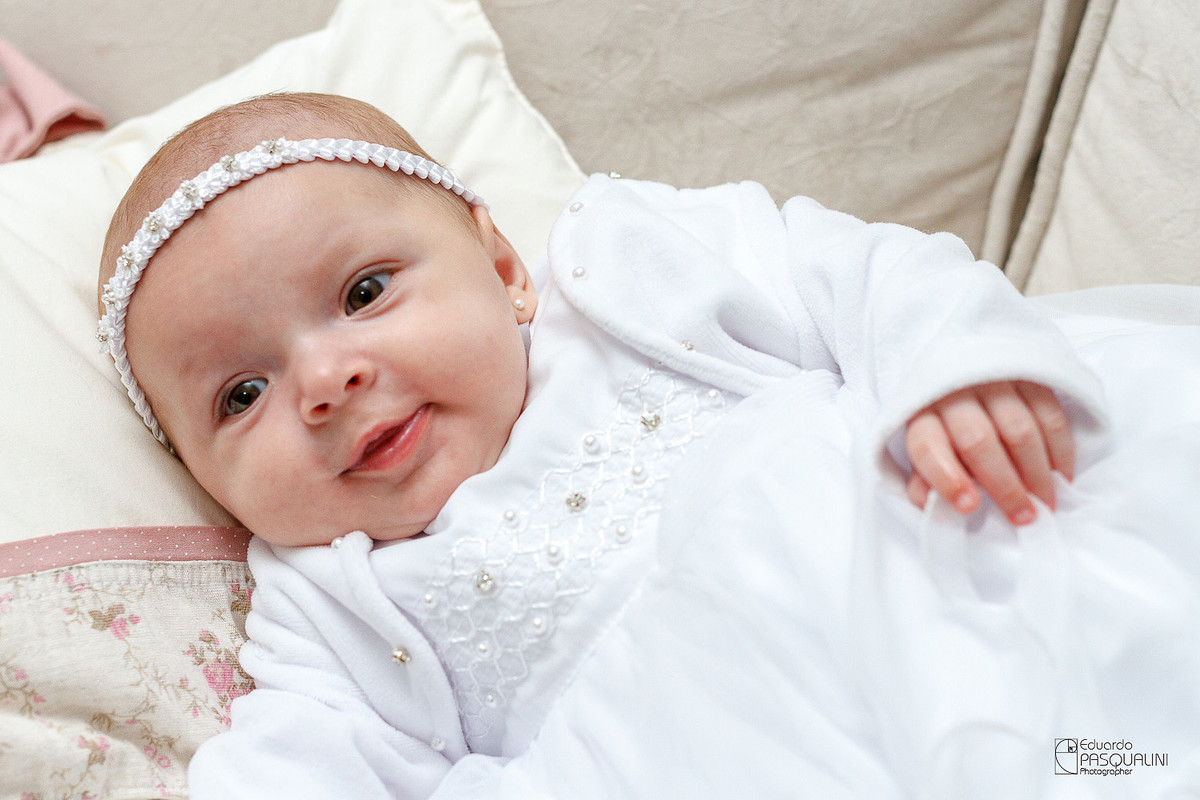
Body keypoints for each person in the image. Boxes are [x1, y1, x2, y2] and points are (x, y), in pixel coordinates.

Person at [97, 93, 1200, 798]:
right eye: (242, 392)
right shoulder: (327, 605)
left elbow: (857, 274)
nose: (325, 382)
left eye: (364, 291)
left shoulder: (625, 267)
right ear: (205, 479)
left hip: (953, 563)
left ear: (503, 267)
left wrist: (951, 369)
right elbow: (296, 766)